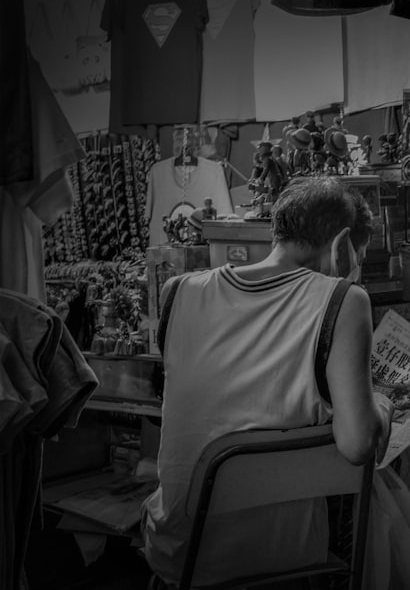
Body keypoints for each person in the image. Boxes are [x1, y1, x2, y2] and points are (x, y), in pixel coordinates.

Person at [142, 177, 394, 588]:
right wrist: (381, 406)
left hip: (177, 557)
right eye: (359, 256)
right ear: (343, 243)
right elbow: (358, 444)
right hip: (278, 563)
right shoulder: (344, 300)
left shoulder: (178, 292)